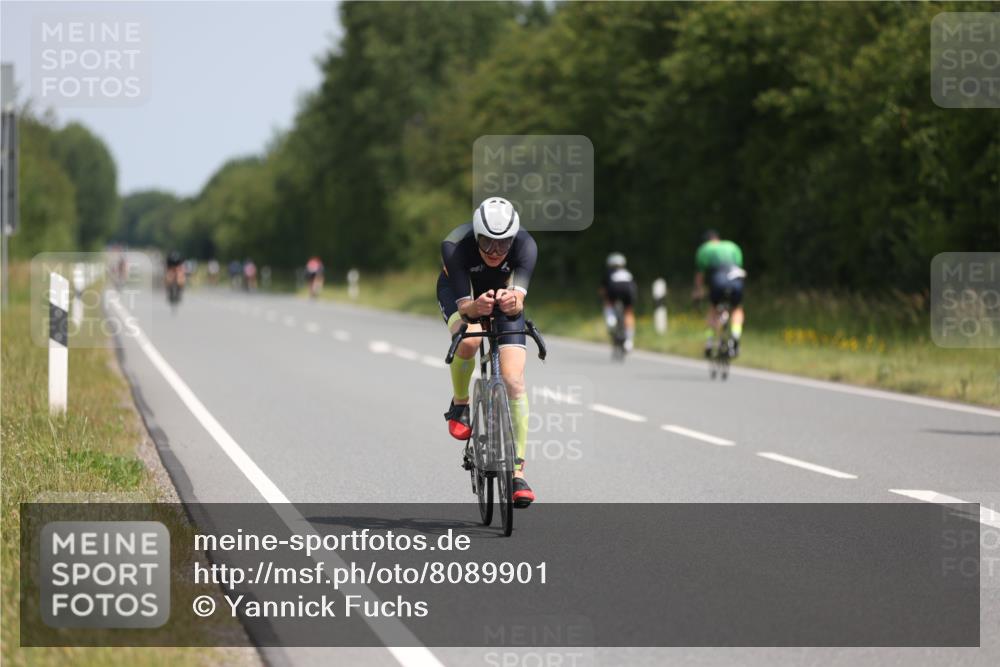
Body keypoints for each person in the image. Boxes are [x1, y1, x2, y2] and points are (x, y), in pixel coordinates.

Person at [438, 197, 538, 507]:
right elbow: (464, 304)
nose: (495, 252)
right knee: (468, 340)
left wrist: (513, 301)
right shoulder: (455, 245)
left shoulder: (526, 246)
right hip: (462, 292)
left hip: (503, 297)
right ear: (476, 235)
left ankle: (518, 472)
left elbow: (519, 299)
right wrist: (472, 307)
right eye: (487, 243)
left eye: (503, 244)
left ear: (514, 239)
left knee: (514, 380)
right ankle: (460, 403)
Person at [693, 230, 746, 357]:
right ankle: (735, 336)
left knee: (713, 309)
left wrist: (698, 292)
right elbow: (740, 269)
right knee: (737, 309)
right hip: (735, 280)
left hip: (718, 280)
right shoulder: (733, 246)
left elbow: (700, 276)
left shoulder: (704, 249)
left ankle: (710, 342)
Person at [599, 252, 637, 352]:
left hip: (613, 289)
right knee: (628, 312)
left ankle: (611, 320)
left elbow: (603, 290)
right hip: (628, 291)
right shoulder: (628, 273)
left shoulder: (609, 273)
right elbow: (633, 286)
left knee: (609, 303)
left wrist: (605, 299)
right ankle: (629, 342)